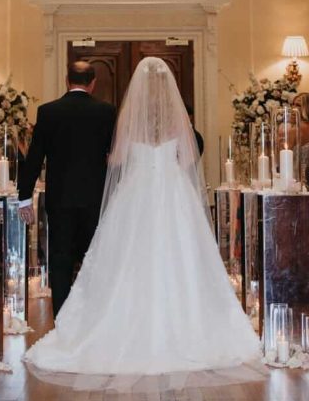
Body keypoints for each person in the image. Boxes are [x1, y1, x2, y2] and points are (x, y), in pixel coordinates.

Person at [26, 57, 260, 376]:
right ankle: (184, 323)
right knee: (180, 255)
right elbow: (190, 158)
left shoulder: (127, 118)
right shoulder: (177, 120)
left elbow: (117, 160)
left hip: (135, 193)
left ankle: (112, 323)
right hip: (173, 192)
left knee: (128, 258)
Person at [17, 60, 117, 316]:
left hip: (60, 197)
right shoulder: (106, 111)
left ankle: (62, 318)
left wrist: (24, 197)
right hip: (95, 198)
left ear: (66, 80)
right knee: (94, 258)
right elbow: (115, 156)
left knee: (60, 259)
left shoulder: (49, 111)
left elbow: (35, 156)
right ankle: (93, 315)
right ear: (93, 83)